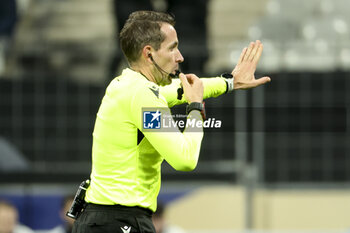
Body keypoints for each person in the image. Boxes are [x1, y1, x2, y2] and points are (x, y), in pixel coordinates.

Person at [72, 10, 270, 233]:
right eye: (172, 47)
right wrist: (195, 109)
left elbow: (182, 89)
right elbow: (185, 158)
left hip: (102, 219)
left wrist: (231, 82)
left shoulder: (124, 85)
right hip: (119, 222)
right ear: (149, 54)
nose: (180, 57)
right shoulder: (143, 97)